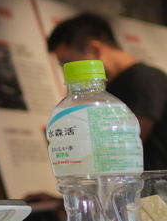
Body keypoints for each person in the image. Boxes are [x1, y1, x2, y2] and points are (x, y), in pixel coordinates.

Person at [47, 12, 167, 170]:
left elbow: (124, 144)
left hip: (153, 184)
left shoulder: (144, 78)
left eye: (66, 61)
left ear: (94, 50)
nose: (65, 69)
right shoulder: (111, 89)